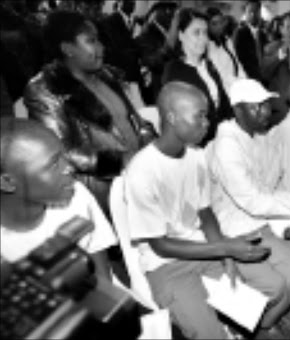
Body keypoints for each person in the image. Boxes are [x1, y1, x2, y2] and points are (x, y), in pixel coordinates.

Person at [121, 82, 275, 339]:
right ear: (171, 117)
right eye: (199, 115)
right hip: (166, 265)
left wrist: (226, 258)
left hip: (203, 249)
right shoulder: (142, 171)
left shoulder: (197, 156)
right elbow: (160, 245)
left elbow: (205, 214)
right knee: (210, 334)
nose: (207, 123)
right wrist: (225, 248)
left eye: (207, 115)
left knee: (246, 308)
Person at [207, 79, 290, 335]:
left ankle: (273, 311)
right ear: (238, 110)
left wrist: (287, 218)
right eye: (257, 107)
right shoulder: (226, 146)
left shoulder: (261, 136)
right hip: (238, 227)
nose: (266, 111)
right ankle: (264, 320)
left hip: (267, 219)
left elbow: (272, 187)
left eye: (266, 105)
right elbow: (252, 201)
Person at [24, 10, 156, 213]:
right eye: (91, 41)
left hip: (139, 176)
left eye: (99, 40)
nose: (101, 48)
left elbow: (135, 121)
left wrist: (152, 144)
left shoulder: (106, 75)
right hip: (100, 190)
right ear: (68, 48)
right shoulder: (45, 89)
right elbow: (61, 151)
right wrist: (119, 161)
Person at [0, 118, 117, 279]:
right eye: (54, 164)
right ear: (7, 182)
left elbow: (102, 276)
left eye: (64, 156)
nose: (70, 167)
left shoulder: (76, 196)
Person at [162, 8, 232, 146]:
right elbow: (178, 120)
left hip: (219, 140)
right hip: (194, 145)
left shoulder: (209, 65)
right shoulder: (174, 70)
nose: (204, 39)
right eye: (196, 33)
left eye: (205, 32)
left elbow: (223, 103)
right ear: (181, 35)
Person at [135, 1, 179, 104]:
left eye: (173, 10)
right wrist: (169, 43)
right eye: (166, 10)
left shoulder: (178, 36)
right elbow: (155, 62)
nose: (171, 14)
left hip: (176, 89)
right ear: (154, 14)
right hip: (157, 94)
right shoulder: (144, 38)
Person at [262, 11, 290, 114]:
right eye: (288, 26)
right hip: (282, 104)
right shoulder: (271, 48)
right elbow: (264, 73)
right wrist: (280, 54)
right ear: (281, 29)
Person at [206, 7, 247, 93]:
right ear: (207, 25)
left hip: (236, 87)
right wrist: (238, 84)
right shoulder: (207, 45)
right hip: (222, 91)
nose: (219, 26)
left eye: (221, 22)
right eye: (214, 23)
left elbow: (237, 63)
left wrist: (245, 81)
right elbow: (221, 73)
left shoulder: (227, 40)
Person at [233, 0, 268, 82]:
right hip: (248, 78)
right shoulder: (240, 33)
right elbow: (238, 59)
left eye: (256, 11)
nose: (253, 15)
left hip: (264, 78)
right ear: (246, 13)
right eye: (250, 12)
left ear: (260, 13)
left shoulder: (263, 34)